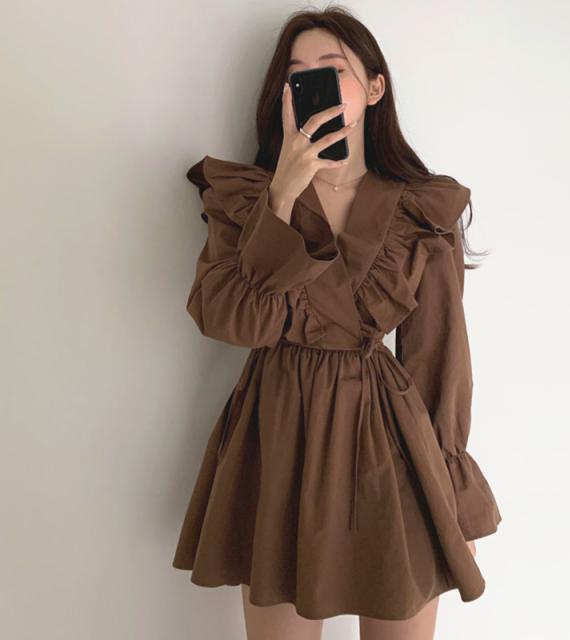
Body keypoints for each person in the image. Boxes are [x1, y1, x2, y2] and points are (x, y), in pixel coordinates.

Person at [173, 7, 502, 639]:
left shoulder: (419, 209)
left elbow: (439, 357)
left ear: (374, 88)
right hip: (278, 440)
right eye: (296, 76)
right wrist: (282, 194)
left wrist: (453, 497)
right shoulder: (245, 199)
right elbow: (232, 320)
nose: (311, 86)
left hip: (391, 447)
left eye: (332, 71)